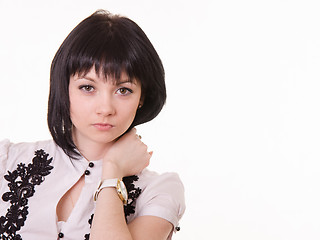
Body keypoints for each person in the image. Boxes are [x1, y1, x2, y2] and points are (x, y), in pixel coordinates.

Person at [0, 10, 185, 240]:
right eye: (88, 87)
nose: (105, 108)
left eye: (123, 90)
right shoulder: (6, 161)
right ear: (64, 87)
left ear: (142, 98)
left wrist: (112, 171)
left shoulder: (158, 191)